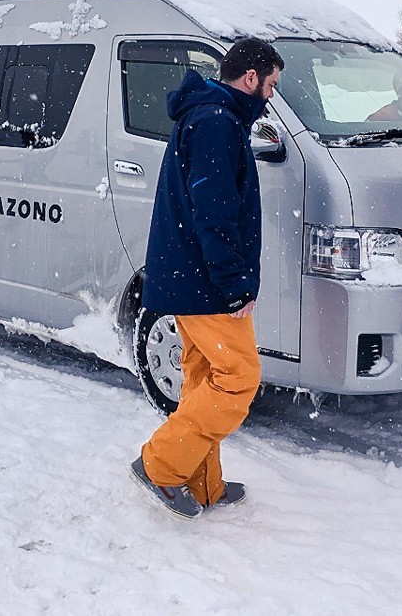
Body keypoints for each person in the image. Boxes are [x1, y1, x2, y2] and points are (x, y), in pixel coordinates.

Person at [130, 37, 284, 519]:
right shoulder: (217, 122)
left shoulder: (213, 116)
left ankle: (202, 485)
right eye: (272, 84)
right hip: (205, 284)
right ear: (251, 78)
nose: (272, 96)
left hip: (189, 276)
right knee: (239, 379)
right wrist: (235, 282)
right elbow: (214, 213)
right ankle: (161, 464)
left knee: (202, 379)